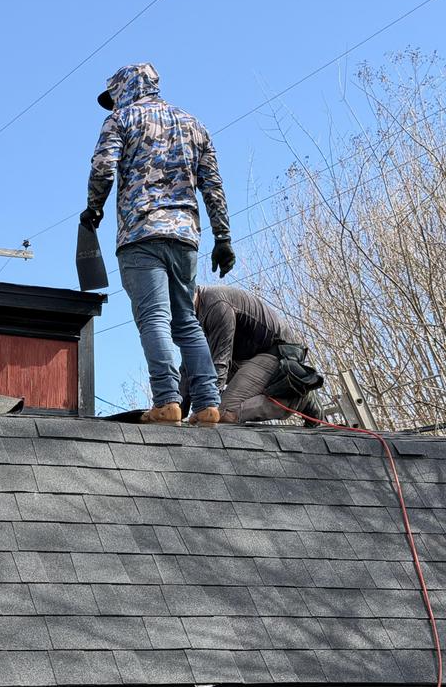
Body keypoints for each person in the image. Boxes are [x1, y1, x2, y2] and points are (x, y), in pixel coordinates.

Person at [82, 63, 235, 425]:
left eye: (115, 96)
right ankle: (208, 404)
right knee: (186, 320)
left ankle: (167, 400)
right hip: (185, 237)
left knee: (154, 317)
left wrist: (93, 209)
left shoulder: (121, 120)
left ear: (124, 90)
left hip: (140, 235)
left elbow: (104, 167)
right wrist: (223, 237)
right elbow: (212, 185)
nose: (114, 104)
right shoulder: (193, 124)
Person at [181, 285, 323, 425]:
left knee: (223, 412)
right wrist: (178, 412)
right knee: (199, 369)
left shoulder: (217, 305)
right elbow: (189, 367)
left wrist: (208, 406)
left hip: (278, 352)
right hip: (247, 356)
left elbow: (221, 362)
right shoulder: (192, 321)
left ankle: (297, 398)